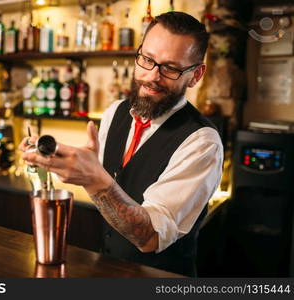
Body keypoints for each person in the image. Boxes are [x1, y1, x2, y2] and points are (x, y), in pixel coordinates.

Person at [20, 11, 223, 277]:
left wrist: (93, 179)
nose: (152, 76)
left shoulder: (202, 142)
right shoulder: (115, 112)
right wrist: (67, 161)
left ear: (196, 75)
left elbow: (149, 237)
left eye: (170, 68)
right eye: (147, 60)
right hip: (107, 271)